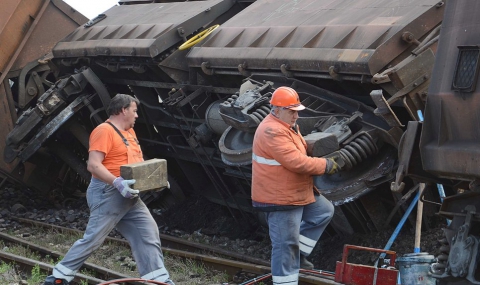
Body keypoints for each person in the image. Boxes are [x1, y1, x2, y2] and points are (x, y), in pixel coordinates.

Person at [43, 94, 175, 285]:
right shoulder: (104, 131)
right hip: (108, 193)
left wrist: (156, 178)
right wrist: (118, 183)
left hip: (129, 195)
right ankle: (57, 278)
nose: (137, 116)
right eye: (134, 111)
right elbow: (94, 165)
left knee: (148, 233)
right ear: (123, 110)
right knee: (93, 239)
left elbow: (136, 163)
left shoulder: (129, 132)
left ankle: (158, 281)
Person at [251, 86, 340, 285]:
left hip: (296, 190)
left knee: (323, 211)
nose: (296, 116)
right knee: (285, 244)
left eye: (297, 111)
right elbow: (296, 162)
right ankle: (285, 281)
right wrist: (326, 165)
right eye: (292, 111)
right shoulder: (272, 130)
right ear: (276, 110)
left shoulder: (287, 126)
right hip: (280, 197)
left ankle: (297, 256)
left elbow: (297, 149)